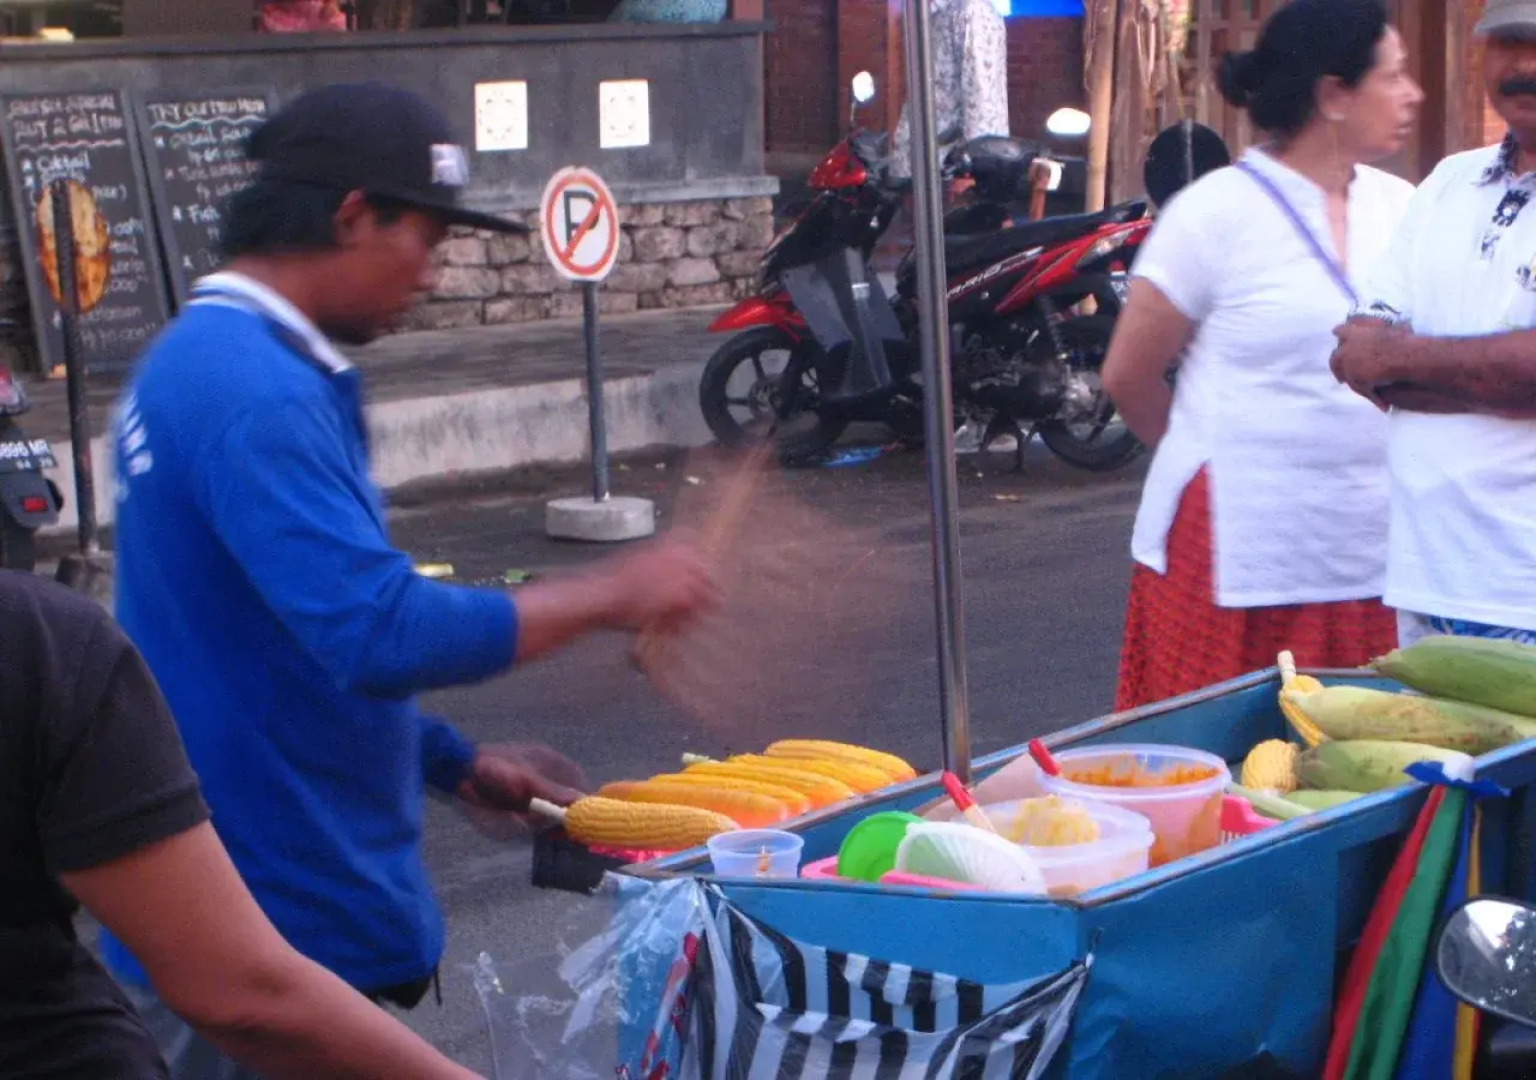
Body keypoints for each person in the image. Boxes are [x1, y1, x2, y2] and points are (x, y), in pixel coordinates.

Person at [99, 82, 720, 1078]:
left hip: (278, 911)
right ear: (353, 216)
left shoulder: (213, 364)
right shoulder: (249, 391)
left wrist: (446, 758)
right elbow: (377, 630)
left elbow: (259, 639)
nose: (430, 274)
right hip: (271, 941)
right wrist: (611, 593)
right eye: (424, 240)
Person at [0, 569, 483, 1079]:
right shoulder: (35, 638)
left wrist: (451, 757)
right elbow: (237, 995)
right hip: (253, 922)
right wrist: (577, 595)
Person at [1100, 0, 1424, 711]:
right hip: (1235, 553)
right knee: (1220, 777)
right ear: (1334, 94)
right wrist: (1210, 454)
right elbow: (1129, 375)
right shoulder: (1214, 213)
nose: (1413, 95)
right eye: (1394, 78)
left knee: (1361, 771)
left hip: (1371, 545)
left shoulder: (1404, 207)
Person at [1330, 0, 1536, 649]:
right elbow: (1355, 357)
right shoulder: (1450, 181)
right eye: (1507, 42)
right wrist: (1495, 373)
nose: (1524, 65)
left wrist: (1403, 358)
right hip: (1428, 582)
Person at [889, 0, 1009, 180]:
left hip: (947, 177)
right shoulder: (929, 13)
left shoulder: (973, 12)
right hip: (919, 170)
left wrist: (973, 173)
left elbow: (982, 105)